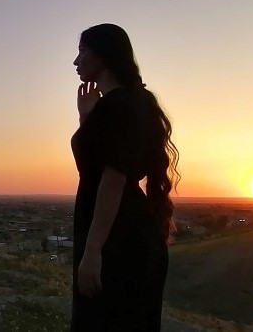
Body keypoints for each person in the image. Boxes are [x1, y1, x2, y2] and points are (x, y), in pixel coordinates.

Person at [70, 23, 180, 331]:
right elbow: (101, 162)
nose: (76, 62)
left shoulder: (116, 106)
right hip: (133, 236)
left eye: (82, 51)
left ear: (103, 55)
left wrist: (93, 253)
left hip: (116, 242)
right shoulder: (134, 102)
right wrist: (87, 118)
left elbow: (112, 178)